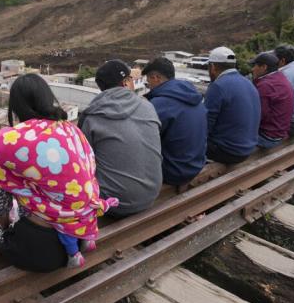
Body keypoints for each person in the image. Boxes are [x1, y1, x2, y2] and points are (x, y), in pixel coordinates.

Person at [0, 74, 117, 271]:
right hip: (82, 233)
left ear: (16, 106)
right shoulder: (72, 131)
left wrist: (1, 223)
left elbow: (1, 199)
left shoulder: (15, 144)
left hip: (41, 249)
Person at [78, 60, 162, 217]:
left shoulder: (92, 116)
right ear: (126, 82)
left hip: (113, 203)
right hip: (152, 193)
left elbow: (83, 163)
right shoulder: (148, 106)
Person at [141, 57, 207, 187]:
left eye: (148, 82)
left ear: (155, 77)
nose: (148, 87)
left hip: (173, 172)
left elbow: (141, 140)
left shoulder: (159, 104)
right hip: (196, 164)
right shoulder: (193, 96)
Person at [204, 47, 261, 164]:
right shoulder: (248, 83)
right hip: (248, 147)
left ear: (213, 67)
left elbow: (205, 125)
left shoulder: (218, 86)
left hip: (228, 151)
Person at [251, 53, 294, 149]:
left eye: (255, 66)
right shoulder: (280, 78)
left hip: (267, 137)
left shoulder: (266, 85)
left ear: (264, 67)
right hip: (280, 133)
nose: (252, 69)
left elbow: (258, 115)